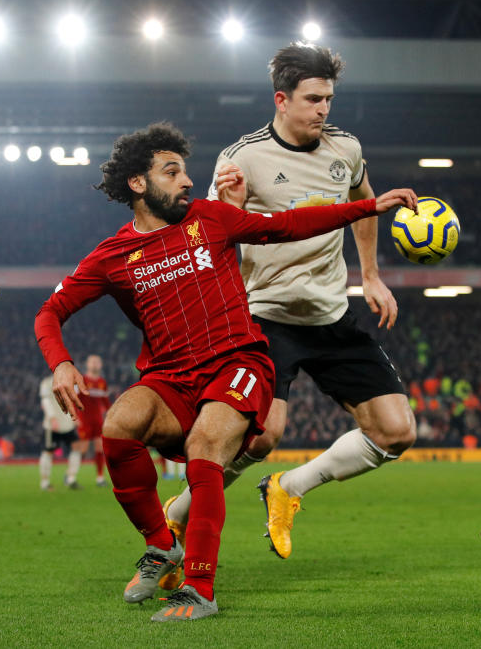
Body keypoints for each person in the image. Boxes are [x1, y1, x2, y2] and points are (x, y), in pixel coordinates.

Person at [34, 122, 416, 622]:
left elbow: (288, 226)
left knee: (207, 445)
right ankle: (160, 544)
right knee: (118, 427)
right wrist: (61, 363)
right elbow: (49, 312)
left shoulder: (210, 219)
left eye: (186, 171)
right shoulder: (112, 257)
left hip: (238, 362)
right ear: (137, 184)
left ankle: (198, 588)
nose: (187, 181)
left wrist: (369, 205)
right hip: (170, 377)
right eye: (172, 172)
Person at [164, 43, 417, 562]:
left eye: (329, 99)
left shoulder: (345, 148)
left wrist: (370, 275)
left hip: (331, 313)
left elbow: (363, 204)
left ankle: (289, 489)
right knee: (261, 437)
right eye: (313, 99)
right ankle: (180, 512)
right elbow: (205, 236)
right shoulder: (242, 157)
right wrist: (229, 207)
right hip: (266, 316)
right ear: (282, 100)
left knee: (397, 430)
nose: (324, 110)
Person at [65, 354, 111, 489]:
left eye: (97, 362)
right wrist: (75, 417)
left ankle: (100, 478)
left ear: (101, 365)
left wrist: (110, 413)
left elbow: (105, 402)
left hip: (98, 421)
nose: (95, 364)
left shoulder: (102, 382)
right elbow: (74, 399)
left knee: (99, 448)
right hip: (84, 419)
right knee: (82, 448)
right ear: (87, 364)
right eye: (93, 362)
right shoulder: (82, 379)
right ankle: (70, 476)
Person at [39, 372, 77, 491]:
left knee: (77, 449)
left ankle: (71, 478)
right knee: (48, 452)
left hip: (68, 424)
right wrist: (52, 417)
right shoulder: (46, 383)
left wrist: (76, 417)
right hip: (52, 425)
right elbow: (45, 401)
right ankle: (45, 482)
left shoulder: (71, 382)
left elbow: (75, 399)